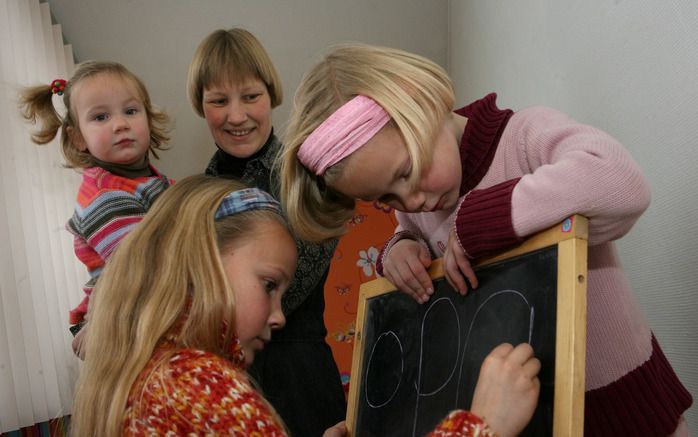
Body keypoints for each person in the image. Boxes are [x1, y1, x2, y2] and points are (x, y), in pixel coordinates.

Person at [277, 43, 692, 436]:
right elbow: (410, 230)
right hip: (528, 412)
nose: (413, 200)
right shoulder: (417, 206)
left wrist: (486, 217)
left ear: (423, 100)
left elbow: (622, 182)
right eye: (386, 197)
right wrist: (399, 249)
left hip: (615, 398)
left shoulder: (524, 137)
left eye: (406, 172)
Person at [69, 175, 541, 437]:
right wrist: (482, 428)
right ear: (199, 263)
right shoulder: (198, 385)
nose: (279, 314)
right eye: (269, 285)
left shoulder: (149, 374)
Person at [187, 28, 345, 436]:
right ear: (201, 106)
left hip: (298, 377)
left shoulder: (304, 175)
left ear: (270, 94)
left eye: (250, 96)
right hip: (225, 377)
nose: (236, 116)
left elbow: (290, 288)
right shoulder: (198, 192)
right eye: (218, 101)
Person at [19, 61, 173, 358]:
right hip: (116, 322)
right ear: (78, 137)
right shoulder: (105, 200)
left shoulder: (151, 181)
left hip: (145, 307)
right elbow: (148, 266)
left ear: (148, 118)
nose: (120, 124)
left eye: (130, 111)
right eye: (101, 117)